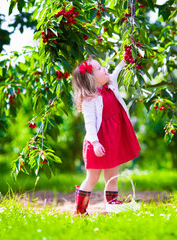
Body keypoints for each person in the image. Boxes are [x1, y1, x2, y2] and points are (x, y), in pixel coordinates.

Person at [71, 57, 141, 216]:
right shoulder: (90, 100)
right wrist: (95, 143)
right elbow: (89, 125)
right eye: (99, 69)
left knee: (113, 176)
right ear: (91, 79)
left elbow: (116, 72)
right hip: (97, 142)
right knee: (92, 177)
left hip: (114, 139)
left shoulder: (111, 86)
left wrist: (126, 58)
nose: (104, 69)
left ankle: (111, 207)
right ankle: (80, 211)